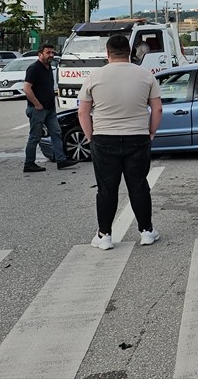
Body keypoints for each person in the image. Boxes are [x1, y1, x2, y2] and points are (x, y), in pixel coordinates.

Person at [79, 34, 162, 250]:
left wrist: (91, 137)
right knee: (139, 186)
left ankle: (104, 235)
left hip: (104, 138)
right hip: (138, 137)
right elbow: (157, 109)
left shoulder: (94, 77)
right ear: (131, 52)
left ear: (107, 53)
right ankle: (146, 231)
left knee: (106, 188)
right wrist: (150, 132)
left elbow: (83, 112)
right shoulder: (146, 76)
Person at [23, 44, 76, 172]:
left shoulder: (48, 68)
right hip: (38, 110)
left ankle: (61, 160)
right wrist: (37, 104)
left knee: (56, 133)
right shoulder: (34, 68)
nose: (51, 55)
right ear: (40, 54)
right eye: (48, 53)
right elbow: (26, 88)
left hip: (50, 109)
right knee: (35, 137)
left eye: (52, 53)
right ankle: (29, 164)